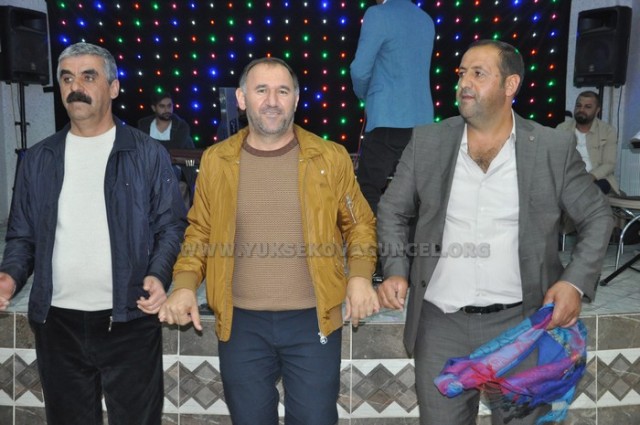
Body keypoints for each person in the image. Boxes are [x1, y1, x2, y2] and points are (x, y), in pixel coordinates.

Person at [375, 39, 613, 425]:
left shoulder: (551, 147)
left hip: (521, 325)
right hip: (441, 325)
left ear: (510, 85)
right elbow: (392, 209)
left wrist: (573, 283)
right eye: (461, 74)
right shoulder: (428, 142)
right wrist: (395, 269)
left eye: (478, 74)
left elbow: (598, 215)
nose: (464, 83)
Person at [158, 57, 379, 425]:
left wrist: (359, 276)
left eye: (282, 91)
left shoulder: (330, 157)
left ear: (296, 99)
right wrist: (183, 285)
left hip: (312, 320)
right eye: (261, 90)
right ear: (242, 98)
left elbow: (360, 225)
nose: (272, 101)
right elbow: (200, 232)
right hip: (241, 324)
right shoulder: (216, 160)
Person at [0, 42, 187, 425]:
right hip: (57, 323)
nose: (76, 87)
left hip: (130, 319)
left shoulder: (146, 153)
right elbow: (22, 236)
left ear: (113, 87)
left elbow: (170, 226)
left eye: (89, 77)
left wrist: (159, 273)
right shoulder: (39, 158)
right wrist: (10, 276)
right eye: (67, 78)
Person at [350, 0, 435, 214]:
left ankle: (379, 236)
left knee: (368, 187)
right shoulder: (426, 20)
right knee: (414, 195)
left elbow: (359, 70)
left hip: (387, 117)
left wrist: (365, 96)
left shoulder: (377, 14)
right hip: (423, 122)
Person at [138, 91, 197, 207]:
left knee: (169, 173)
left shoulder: (181, 127)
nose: (167, 110)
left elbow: (184, 155)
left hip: (175, 168)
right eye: (162, 106)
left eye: (169, 106)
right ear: (154, 108)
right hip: (148, 168)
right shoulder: (144, 126)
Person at [556, 90, 620, 194]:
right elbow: (555, 160)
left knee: (591, 190)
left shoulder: (607, 131)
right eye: (578, 106)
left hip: (596, 178)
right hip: (568, 178)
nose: (581, 109)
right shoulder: (562, 129)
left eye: (588, 107)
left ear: (597, 110)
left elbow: (609, 164)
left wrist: (590, 177)